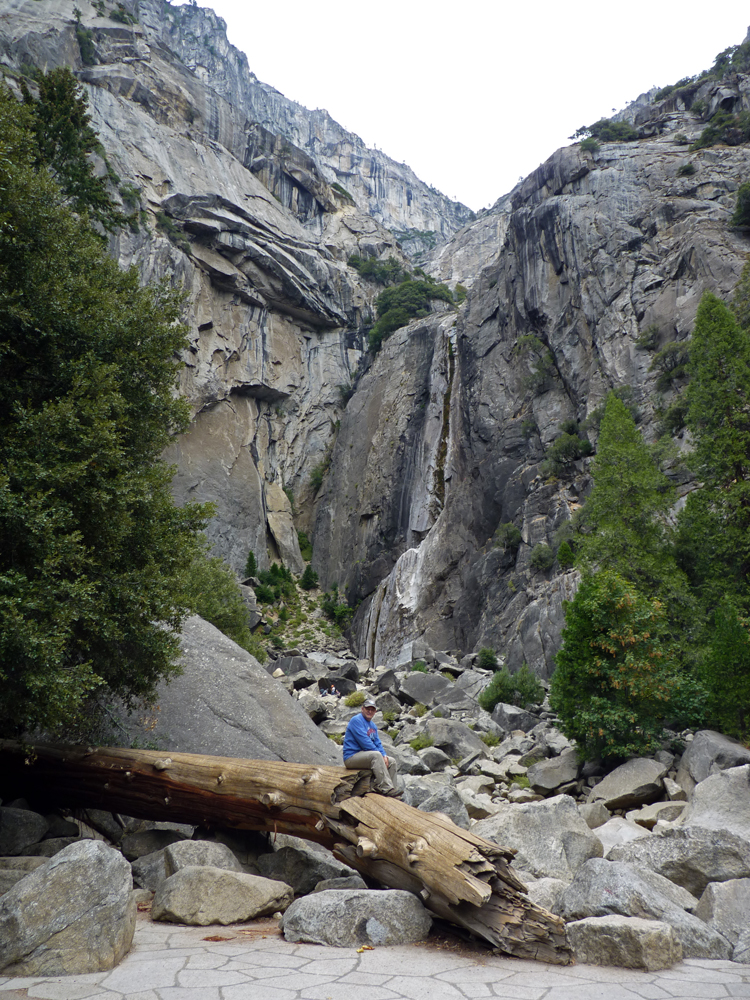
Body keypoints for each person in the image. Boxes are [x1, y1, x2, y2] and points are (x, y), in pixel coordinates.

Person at [342, 697, 401, 797]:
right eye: (367, 709)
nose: (370, 711)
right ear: (362, 709)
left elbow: (377, 743)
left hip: (365, 756)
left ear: (375, 711)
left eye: (372, 709)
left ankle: (393, 793)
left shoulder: (373, 725)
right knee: (376, 755)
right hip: (351, 757)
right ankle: (386, 788)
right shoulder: (356, 720)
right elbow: (365, 742)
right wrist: (380, 755)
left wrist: (384, 755)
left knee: (391, 761)